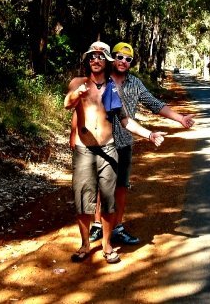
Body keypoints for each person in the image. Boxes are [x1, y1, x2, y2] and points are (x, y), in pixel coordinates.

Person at [64, 41, 165, 264]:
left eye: (100, 56)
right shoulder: (78, 83)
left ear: (106, 60)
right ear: (87, 60)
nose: (95, 60)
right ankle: (84, 245)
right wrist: (76, 96)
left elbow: (126, 121)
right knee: (83, 200)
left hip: (108, 149)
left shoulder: (112, 89)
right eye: (92, 56)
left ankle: (107, 246)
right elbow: (67, 104)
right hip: (84, 149)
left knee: (109, 201)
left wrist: (149, 134)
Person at [87, 42, 195, 246]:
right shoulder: (101, 79)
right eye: (119, 57)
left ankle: (117, 227)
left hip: (125, 141)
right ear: (113, 58)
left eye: (128, 59)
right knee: (101, 186)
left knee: (121, 187)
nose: (123, 62)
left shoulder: (135, 84)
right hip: (101, 141)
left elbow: (155, 104)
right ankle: (98, 225)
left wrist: (180, 118)